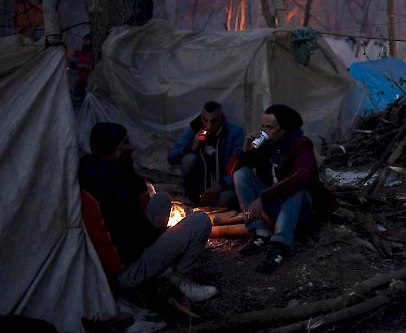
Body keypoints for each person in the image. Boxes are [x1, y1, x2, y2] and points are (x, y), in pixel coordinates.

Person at [79, 122, 217, 302]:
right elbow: (139, 231)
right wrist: (166, 237)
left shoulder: (94, 169)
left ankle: (163, 267)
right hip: (127, 272)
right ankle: (180, 279)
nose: (132, 147)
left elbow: (134, 225)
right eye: (126, 142)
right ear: (115, 150)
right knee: (200, 220)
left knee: (162, 199)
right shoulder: (117, 187)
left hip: (125, 252)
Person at [230, 104, 329, 274]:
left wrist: (263, 197)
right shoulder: (267, 144)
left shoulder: (301, 145)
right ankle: (260, 232)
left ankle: (281, 245)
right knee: (241, 174)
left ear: (284, 130)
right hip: (275, 207)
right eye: (262, 126)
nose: (263, 131)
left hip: (301, 210)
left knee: (296, 187)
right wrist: (247, 149)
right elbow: (231, 169)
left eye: (269, 127)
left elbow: (301, 176)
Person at [167, 101, 244, 206]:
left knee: (226, 198)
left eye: (214, 121)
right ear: (201, 117)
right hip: (200, 184)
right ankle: (194, 200)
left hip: (223, 185)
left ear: (221, 118)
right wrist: (192, 147)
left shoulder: (235, 132)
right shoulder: (193, 129)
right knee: (188, 159)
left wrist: (221, 185)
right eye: (205, 120)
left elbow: (240, 165)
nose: (209, 126)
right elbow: (171, 157)